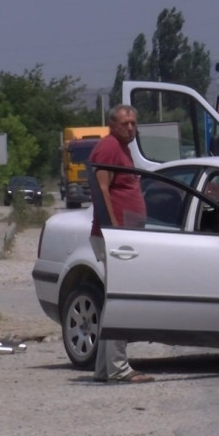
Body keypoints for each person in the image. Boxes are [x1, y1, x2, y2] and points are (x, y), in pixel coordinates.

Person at [89, 104, 154, 384]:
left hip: (125, 235)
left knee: (113, 300)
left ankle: (105, 368)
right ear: (112, 125)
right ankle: (118, 368)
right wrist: (113, 231)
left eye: (133, 123)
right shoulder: (109, 147)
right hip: (116, 238)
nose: (130, 128)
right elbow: (101, 188)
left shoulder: (123, 148)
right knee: (120, 301)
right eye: (124, 123)